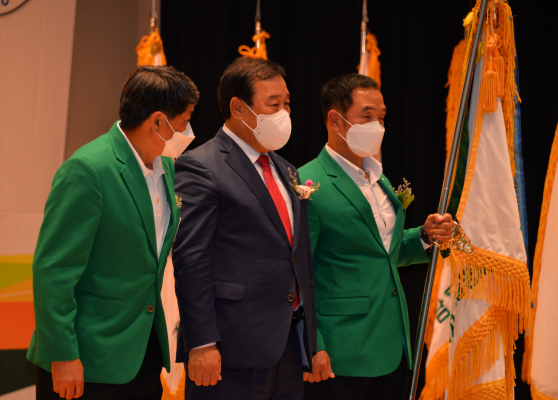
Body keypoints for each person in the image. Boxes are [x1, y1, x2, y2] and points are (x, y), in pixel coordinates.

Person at [26, 65, 199, 400]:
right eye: (184, 120)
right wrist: (63, 354)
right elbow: (54, 270)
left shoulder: (166, 165)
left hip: (143, 355)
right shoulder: (88, 169)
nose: (187, 130)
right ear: (158, 122)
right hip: (87, 357)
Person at [298, 73, 454, 400]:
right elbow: (297, 274)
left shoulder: (379, 178)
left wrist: (424, 237)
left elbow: (381, 252)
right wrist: (311, 345)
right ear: (335, 120)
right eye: (366, 116)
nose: (377, 127)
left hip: (391, 344)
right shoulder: (308, 183)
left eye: (381, 118)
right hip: (340, 351)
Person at [172, 56, 317, 400]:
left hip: (288, 346)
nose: (284, 113)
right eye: (273, 105)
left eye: (287, 104)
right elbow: (191, 261)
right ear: (238, 108)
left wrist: (311, 340)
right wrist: (202, 343)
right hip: (230, 349)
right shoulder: (201, 166)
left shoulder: (287, 170)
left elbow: (297, 258)